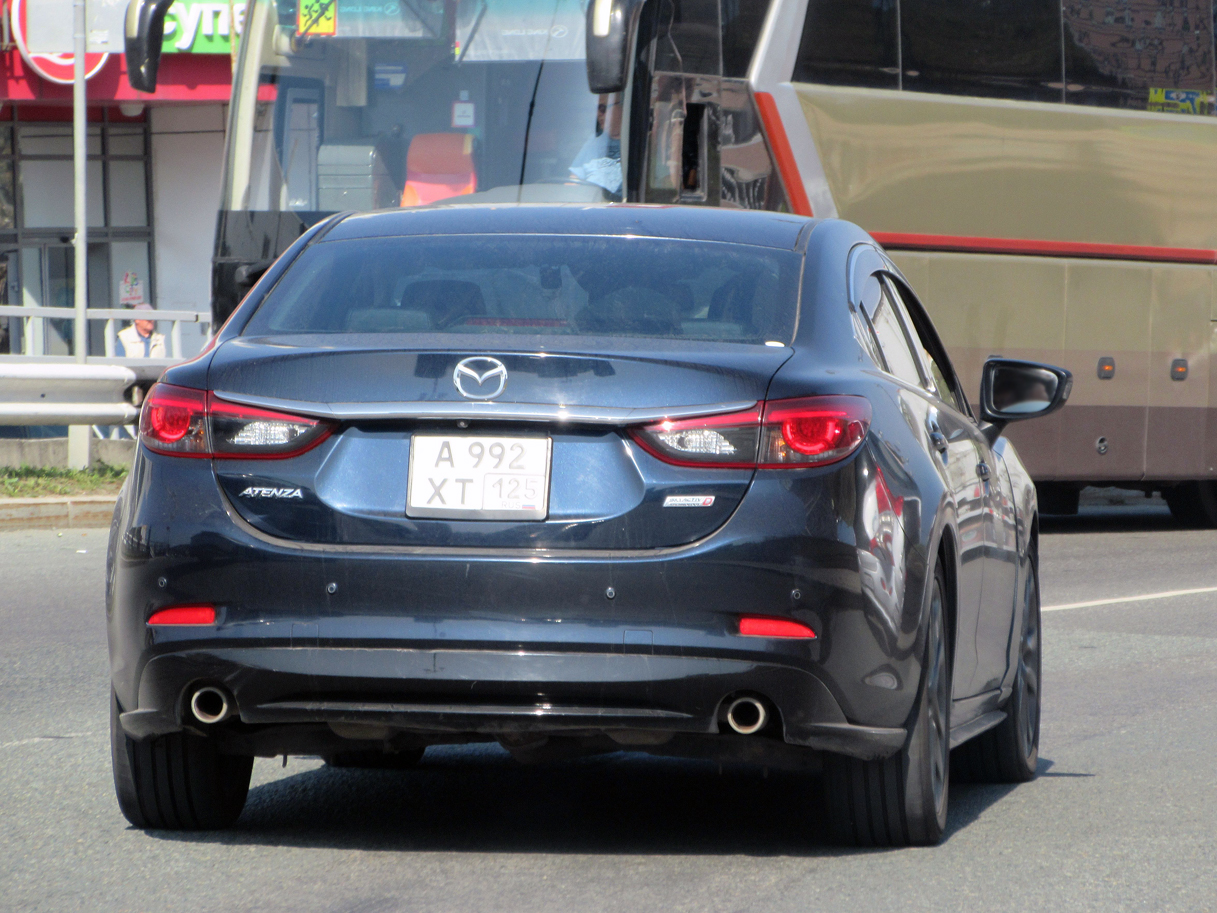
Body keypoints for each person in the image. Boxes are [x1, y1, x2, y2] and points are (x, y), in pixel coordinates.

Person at [569, 94, 622, 196]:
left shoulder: (638, 142)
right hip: (589, 204)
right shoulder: (594, 140)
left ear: (621, 107)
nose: (598, 114)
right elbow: (573, 180)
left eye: (602, 108)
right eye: (595, 109)